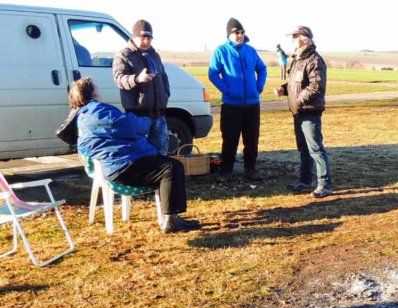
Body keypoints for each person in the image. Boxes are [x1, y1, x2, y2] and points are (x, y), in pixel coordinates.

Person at [67, 77, 200, 233]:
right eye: (96, 88)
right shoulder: (99, 111)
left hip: (114, 163)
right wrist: (143, 121)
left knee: (168, 165)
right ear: (92, 92)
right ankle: (170, 220)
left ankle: (172, 217)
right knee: (171, 168)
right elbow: (129, 126)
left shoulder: (82, 115)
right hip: (122, 167)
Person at [275, 26, 333, 199]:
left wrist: (298, 100)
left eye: (295, 36)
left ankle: (325, 184)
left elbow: (316, 87)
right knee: (303, 149)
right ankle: (305, 180)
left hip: (309, 112)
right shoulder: (297, 60)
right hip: (297, 112)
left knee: (315, 148)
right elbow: (296, 83)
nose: (292, 39)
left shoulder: (315, 60)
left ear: (305, 39)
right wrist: (284, 90)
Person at [208, 18, 267, 181]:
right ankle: (226, 171)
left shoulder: (251, 51)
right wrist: (227, 89)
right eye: (236, 33)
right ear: (229, 34)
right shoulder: (221, 51)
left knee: (252, 138)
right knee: (230, 139)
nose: (239, 35)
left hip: (252, 104)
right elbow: (213, 74)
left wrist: (259, 86)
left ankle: (251, 169)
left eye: (241, 32)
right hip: (231, 105)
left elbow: (262, 69)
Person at [112, 20, 170, 156]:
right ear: (133, 37)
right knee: (139, 153)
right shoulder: (123, 55)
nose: (146, 41)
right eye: (142, 38)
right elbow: (119, 79)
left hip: (159, 114)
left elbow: (164, 77)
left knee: (161, 152)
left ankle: (161, 176)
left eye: (149, 38)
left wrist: (166, 94)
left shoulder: (155, 55)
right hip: (138, 116)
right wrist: (137, 79)